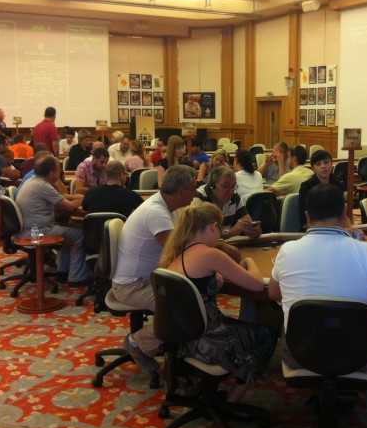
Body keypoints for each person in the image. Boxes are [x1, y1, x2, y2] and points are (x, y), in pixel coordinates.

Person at [269, 185, 367, 370]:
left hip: (299, 353)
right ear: (344, 213)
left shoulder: (286, 251)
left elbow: (274, 294)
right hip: (357, 355)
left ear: (307, 217)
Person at [158, 202, 277, 402]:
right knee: (267, 334)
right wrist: (249, 262)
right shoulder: (210, 254)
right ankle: (231, 402)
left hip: (183, 337)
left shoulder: (178, 253)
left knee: (246, 327)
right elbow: (257, 285)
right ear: (213, 227)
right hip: (207, 337)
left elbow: (208, 282)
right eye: (220, 229)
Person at [114, 165, 198, 371]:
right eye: (193, 188)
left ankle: (183, 347)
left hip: (147, 279)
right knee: (184, 308)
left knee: (195, 297)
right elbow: (178, 252)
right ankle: (137, 341)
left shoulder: (166, 207)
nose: (196, 192)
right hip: (132, 286)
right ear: (181, 191)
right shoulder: (156, 212)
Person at [16, 155, 89, 286]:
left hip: (29, 229)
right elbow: (70, 206)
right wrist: (85, 199)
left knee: (68, 228)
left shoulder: (33, 180)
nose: (60, 172)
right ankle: (77, 278)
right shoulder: (43, 186)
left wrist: (75, 198)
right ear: (51, 173)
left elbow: (59, 198)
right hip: (38, 232)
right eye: (58, 169)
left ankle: (63, 271)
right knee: (80, 235)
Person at [192, 165, 261, 239]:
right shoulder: (199, 198)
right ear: (212, 185)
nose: (231, 191)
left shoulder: (234, 197)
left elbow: (250, 222)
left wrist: (254, 231)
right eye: (225, 186)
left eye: (233, 186)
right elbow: (200, 236)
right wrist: (230, 232)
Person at [298, 149, 342, 229]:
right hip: (313, 230)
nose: (323, 166)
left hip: (335, 229)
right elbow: (305, 221)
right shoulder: (307, 187)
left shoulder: (337, 184)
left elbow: (342, 215)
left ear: (332, 164)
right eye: (318, 164)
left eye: (326, 162)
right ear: (313, 168)